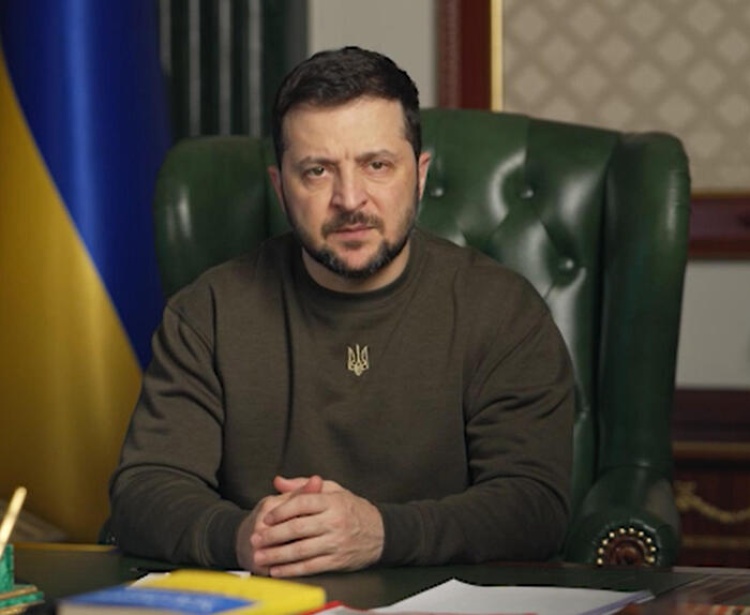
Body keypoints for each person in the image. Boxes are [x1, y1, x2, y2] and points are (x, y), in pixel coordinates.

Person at [108, 46, 574, 578]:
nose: (350, 199)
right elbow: (143, 489)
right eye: (317, 171)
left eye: (377, 165)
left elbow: (535, 505)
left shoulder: (503, 310)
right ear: (280, 188)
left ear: (419, 175)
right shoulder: (208, 312)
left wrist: (382, 533)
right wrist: (241, 537)